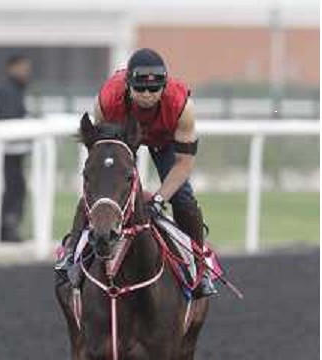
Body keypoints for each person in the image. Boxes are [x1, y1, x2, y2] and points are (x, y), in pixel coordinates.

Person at [55, 48, 217, 297]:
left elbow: (183, 164)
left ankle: (200, 266)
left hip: (165, 143)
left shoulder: (182, 105)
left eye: (154, 89)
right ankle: (72, 256)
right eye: (140, 88)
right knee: (103, 194)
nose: (147, 95)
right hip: (121, 138)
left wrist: (160, 199)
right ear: (127, 85)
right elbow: (101, 157)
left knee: (183, 199)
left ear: (164, 87)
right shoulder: (108, 100)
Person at [0, 53, 32, 242]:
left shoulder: (16, 89)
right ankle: (7, 230)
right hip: (9, 149)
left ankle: (9, 229)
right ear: (12, 68)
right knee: (14, 188)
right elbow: (7, 119)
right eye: (23, 68)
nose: (26, 72)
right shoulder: (7, 90)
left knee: (16, 187)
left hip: (15, 149)